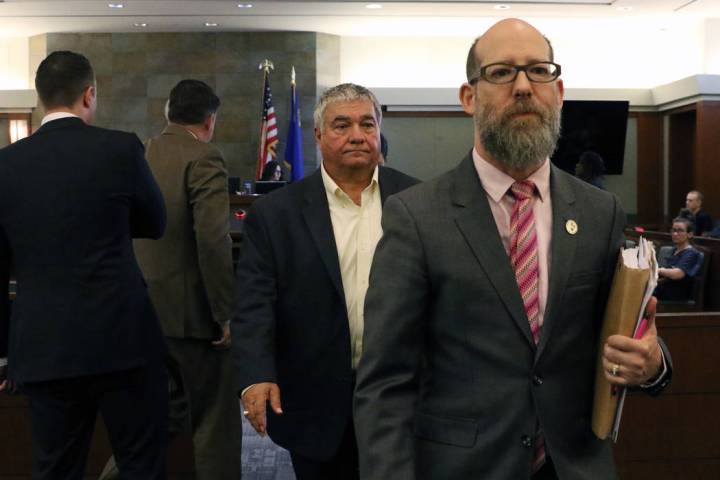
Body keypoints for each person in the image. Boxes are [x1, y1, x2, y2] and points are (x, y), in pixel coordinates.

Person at [354, 19, 672, 480]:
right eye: (502, 73)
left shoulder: (600, 211)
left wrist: (652, 361)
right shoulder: (417, 216)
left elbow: (626, 336)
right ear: (469, 97)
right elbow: (386, 384)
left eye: (538, 71)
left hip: (575, 467)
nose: (524, 87)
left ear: (559, 92)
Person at [232, 83, 418, 480]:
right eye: (341, 124)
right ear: (317, 136)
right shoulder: (275, 214)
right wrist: (256, 374)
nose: (356, 134)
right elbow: (254, 303)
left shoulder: (417, 200)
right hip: (313, 397)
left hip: (403, 396)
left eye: (367, 123)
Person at [0, 50, 168, 479]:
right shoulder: (120, 148)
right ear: (89, 94)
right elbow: (156, 222)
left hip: (43, 345)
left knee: (56, 468)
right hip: (122, 340)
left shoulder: (6, 164)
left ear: (40, 99)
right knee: (140, 463)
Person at [100, 80, 241, 479]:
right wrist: (225, 313)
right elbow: (212, 239)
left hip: (140, 316)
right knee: (216, 427)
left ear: (168, 114)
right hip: (195, 322)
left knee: (155, 422)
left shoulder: (138, 155)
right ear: (210, 121)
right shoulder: (204, 157)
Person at [655, 217, 702, 302]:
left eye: (680, 231)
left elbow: (677, 274)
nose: (675, 234)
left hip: (677, 295)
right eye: (673, 230)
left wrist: (658, 270)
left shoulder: (691, 253)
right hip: (663, 289)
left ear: (690, 234)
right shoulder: (673, 250)